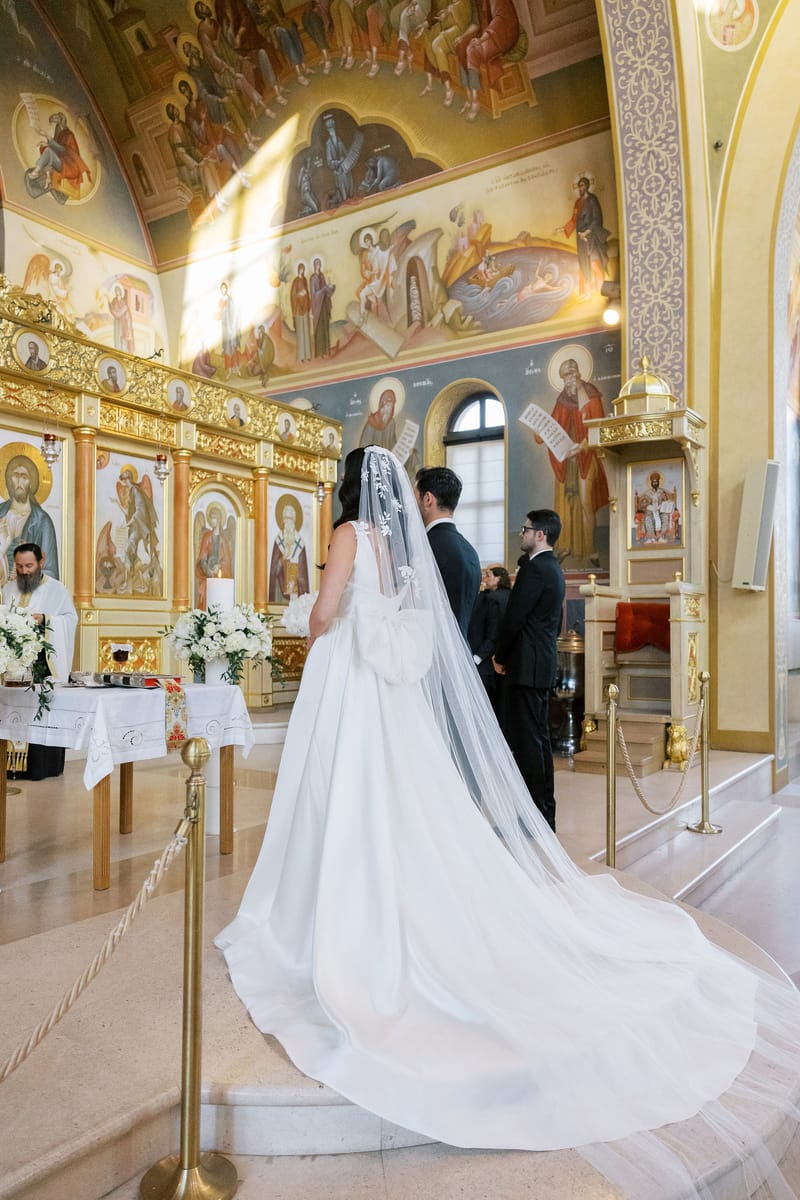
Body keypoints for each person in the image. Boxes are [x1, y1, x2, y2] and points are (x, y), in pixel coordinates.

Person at [216, 447, 800, 1199]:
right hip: (384, 696)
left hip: (345, 684)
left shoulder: (350, 536)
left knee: (338, 793)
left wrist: (307, 619)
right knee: (390, 798)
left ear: (348, 489)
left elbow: (327, 612)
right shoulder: (400, 547)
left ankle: (330, 913)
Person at [493, 510, 564, 832]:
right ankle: (540, 814)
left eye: (525, 529)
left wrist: (500, 654)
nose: (521, 534)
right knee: (536, 742)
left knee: (527, 744)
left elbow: (514, 618)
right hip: (540, 663)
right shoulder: (552, 568)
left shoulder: (536, 570)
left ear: (540, 535)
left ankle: (534, 817)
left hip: (526, 666)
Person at [3, 542, 77, 779]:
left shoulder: (57, 589)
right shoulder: (8, 589)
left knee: (41, 710)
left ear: (41, 561)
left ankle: (41, 768)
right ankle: (11, 767)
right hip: (14, 664)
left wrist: (46, 619)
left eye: (29, 565)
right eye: (20, 566)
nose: (24, 571)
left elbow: (70, 619)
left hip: (43, 663)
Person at [546, 357, 609, 562]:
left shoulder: (590, 395)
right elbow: (554, 424)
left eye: (570, 376)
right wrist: (541, 432)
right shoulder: (564, 397)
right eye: (565, 378)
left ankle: (591, 549)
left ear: (578, 375)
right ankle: (564, 546)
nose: (568, 381)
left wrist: (581, 447)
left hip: (585, 455)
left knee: (585, 502)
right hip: (567, 457)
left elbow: (596, 427)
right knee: (564, 502)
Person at [415, 464, 480, 637]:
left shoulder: (426, 547)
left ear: (428, 499)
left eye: (414, 498)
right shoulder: (470, 550)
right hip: (461, 653)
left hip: (432, 654)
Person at [0, 455, 59, 582]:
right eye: (15, 475)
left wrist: (26, 574)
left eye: (24, 477)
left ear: (32, 483)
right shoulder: (1, 513)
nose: (19, 482)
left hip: (26, 596)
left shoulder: (42, 521)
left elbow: (51, 573)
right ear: (9, 479)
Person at [555, 176, 610, 298]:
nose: (580, 188)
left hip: (592, 237)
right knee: (584, 263)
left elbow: (597, 218)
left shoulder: (592, 200)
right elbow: (574, 220)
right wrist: (562, 229)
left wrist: (587, 231)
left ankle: (602, 288)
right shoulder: (577, 203)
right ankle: (587, 291)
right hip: (581, 239)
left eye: (582, 186)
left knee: (594, 262)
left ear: (587, 186)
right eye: (579, 186)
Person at [468, 564, 510, 717]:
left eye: (488, 575)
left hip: (487, 660)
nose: (485, 579)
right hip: (502, 659)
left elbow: (493, 633)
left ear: (499, 578)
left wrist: (478, 657)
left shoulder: (491, 599)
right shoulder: (509, 596)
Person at [268, 499, 309, 601]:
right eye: (286, 518)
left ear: (294, 520)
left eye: (290, 518)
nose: (287, 522)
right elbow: (273, 568)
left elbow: (303, 573)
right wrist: (281, 563)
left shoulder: (300, 543)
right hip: (280, 588)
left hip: (296, 589)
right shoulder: (279, 540)